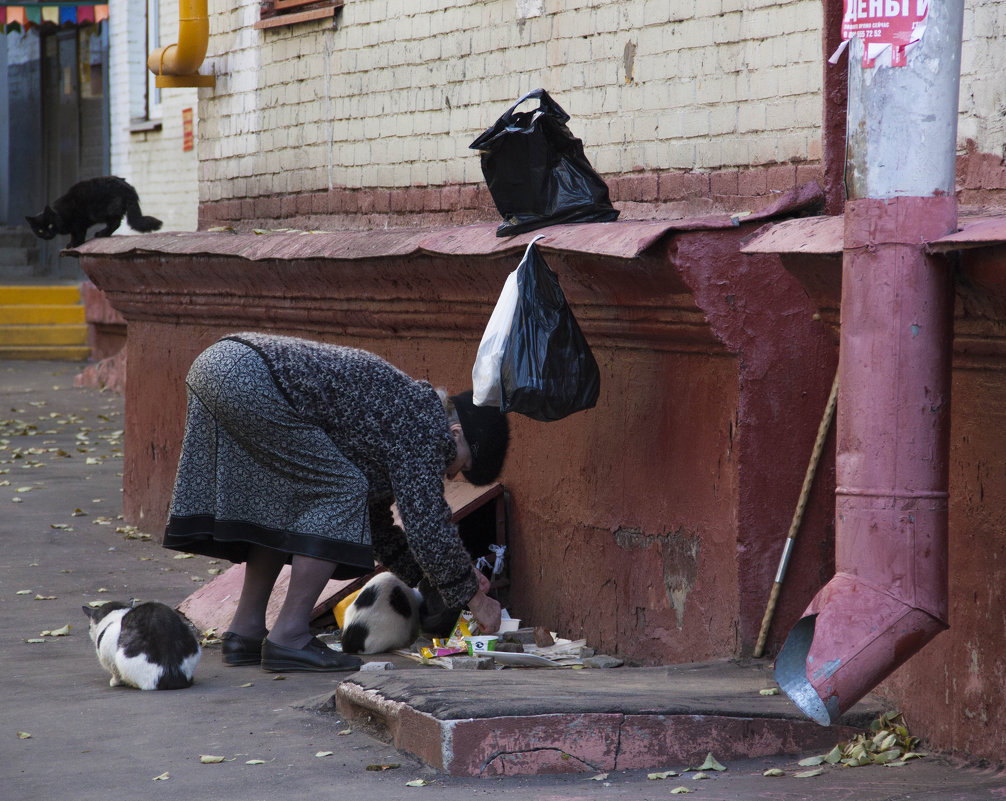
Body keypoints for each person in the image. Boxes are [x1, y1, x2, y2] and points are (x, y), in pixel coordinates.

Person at [163, 332, 509, 672]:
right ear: (455, 434)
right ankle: (291, 635)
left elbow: (378, 529)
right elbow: (428, 526)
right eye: (460, 467)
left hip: (221, 363)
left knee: (283, 501)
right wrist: (474, 598)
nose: (450, 476)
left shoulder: (402, 415)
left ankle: (246, 632)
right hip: (251, 375)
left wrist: (436, 578)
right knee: (343, 491)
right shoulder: (424, 424)